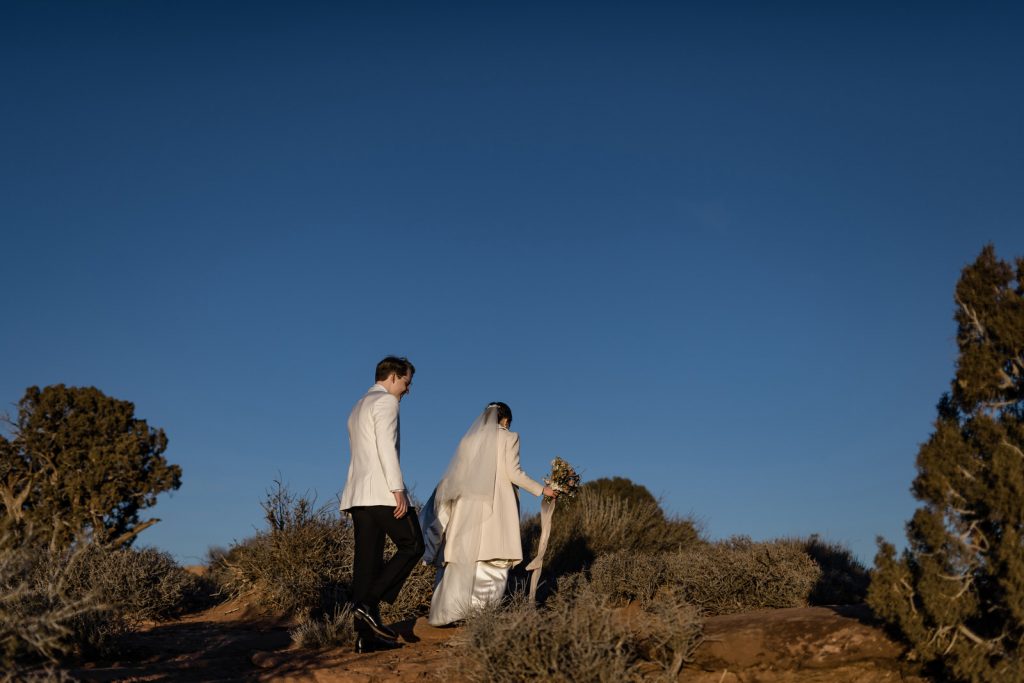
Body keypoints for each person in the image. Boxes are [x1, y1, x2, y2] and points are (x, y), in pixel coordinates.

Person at [420, 402, 557, 626]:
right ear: (505, 420)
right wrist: (542, 489)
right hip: (495, 506)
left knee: (463, 557)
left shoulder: (468, 440)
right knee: (493, 555)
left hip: (466, 506)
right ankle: (481, 615)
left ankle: (446, 613)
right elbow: (514, 472)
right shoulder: (508, 437)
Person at [339, 356, 425, 653]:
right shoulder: (387, 402)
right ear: (392, 377)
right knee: (413, 545)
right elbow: (386, 447)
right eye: (406, 382)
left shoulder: (357, 406)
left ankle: (365, 639)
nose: (407, 389)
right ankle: (366, 604)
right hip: (382, 494)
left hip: (358, 497)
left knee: (366, 564)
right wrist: (398, 489)